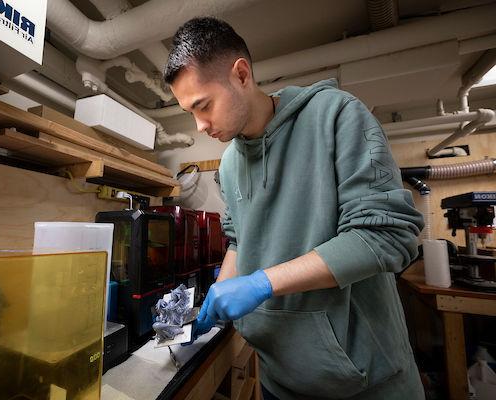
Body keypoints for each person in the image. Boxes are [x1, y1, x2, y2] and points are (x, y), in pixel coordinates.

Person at [163, 17, 426, 400]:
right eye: (190, 112)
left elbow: (385, 237)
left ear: (240, 75)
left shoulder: (336, 116)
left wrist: (261, 283)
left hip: (364, 379)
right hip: (279, 379)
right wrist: (221, 292)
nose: (200, 126)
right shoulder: (231, 165)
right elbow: (239, 239)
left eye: (204, 106)